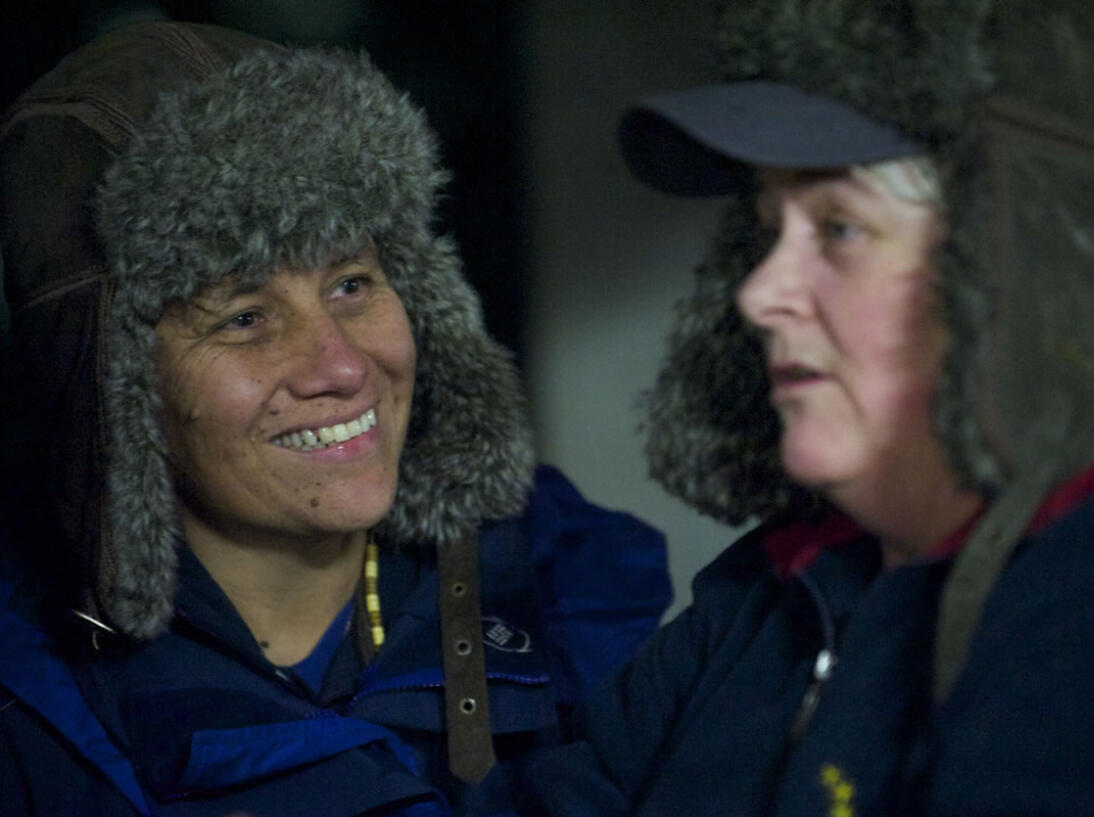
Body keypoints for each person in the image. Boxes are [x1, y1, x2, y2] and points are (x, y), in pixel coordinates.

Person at [519, 0, 1094, 815]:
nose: (759, 292)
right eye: (766, 229)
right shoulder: (778, 583)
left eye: (842, 228)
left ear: (1041, 263)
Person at [0, 21, 671, 817]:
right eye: (244, 317)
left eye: (351, 283)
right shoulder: (32, 715)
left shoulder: (575, 595)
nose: (343, 366)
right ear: (108, 391)